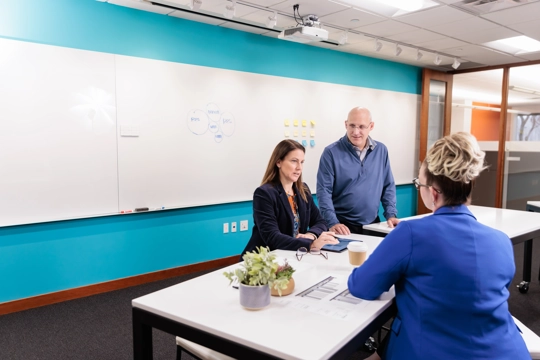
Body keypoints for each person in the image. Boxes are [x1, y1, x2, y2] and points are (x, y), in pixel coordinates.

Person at [348, 132, 529, 360]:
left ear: (432, 192)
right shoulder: (501, 240)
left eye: (419, 184)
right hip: (507, 351)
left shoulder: (410, 233)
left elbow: (361, 286)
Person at [241, 140, 339, 256]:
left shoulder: (304, 190)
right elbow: (272, 237)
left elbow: (320, 221)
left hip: (294, 255)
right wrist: (310, 244)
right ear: (278, 162)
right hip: (265, 260)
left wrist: (311, 235)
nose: (299, 168)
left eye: (302, 162)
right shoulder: (264, 194)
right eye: (294, 161)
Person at [317, 107, 399, 235]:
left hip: (373, 224)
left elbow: (388, 185)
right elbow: (324, 191)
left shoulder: (381, 150)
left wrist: (390, 214)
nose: (356, 132)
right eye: (352, 126)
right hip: (342, 226)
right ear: (346, 124)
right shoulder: (331, 153)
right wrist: (332, 222)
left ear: (371, 126)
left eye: (361, 127)